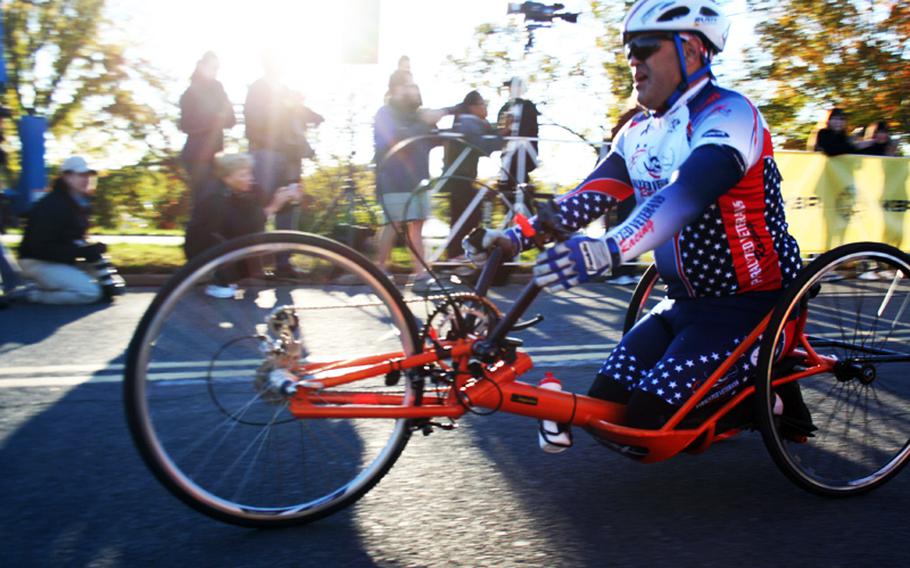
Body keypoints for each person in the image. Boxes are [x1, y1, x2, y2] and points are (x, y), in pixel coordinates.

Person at [466, 0, 813, 451]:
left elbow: (684, 196)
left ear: (690, 51)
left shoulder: (729, 114)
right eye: (629, 48)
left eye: (646, 47)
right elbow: (586, 198)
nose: (633, 59)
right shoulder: (637, 133)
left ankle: (769, 391)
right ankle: (751, 382)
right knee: (607, 406)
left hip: (750, 306)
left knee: (652, 425)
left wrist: (605, 250)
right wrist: (514, 238)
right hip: (682, 304)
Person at [244, 53, 323, 276]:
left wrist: (314, 116)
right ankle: (253, 264)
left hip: (290, 158)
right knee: (261, 205)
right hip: (266, 154)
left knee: (288, 210)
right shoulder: (258, 89)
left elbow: (299, 112)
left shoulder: (286, 91)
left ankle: (283, 263)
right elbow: (256, 121)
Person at [183, 152, 302, 298]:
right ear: (227, 178)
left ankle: (233, 275)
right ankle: (217, 279)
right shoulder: (214, 197)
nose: (250, 178)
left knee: (271, 249)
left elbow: (268, 206)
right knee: (251, 246)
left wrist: (289, 199)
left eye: (249, 173)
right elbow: (240, 227)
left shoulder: (251, 189)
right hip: (203, 247)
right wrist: (273, 207)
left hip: (229, 242)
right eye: (243, 175)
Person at [373, 70, 448, 293]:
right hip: (393, 177)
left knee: (417, 225)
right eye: (408, 85)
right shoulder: (385, 113)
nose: (412, 88)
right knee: (394, 224)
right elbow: (396, 138)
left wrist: (437, 125)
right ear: (395, 89)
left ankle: (420, 275)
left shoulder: (416, 114)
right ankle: (380, 271)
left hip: (418, 179)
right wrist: (424, 124)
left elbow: (432, 139)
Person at [17, 157, 125, 304]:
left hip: (58, 260)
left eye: (88, 175)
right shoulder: (51, 205)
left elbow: (72, 240)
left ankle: (51, 286)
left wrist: (91, 249)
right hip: (36, 262)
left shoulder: (77, 202)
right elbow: (39, 248)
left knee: (113, 286)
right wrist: (81, 252)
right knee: (89, 292)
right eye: (81, 175)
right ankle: (32, 293)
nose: (86, 179)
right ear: (67, 177)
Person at [442, 90, 506, 260]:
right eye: (483, 104)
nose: (486, 108)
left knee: (461, 216)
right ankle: (457, 256)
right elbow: (481, 145)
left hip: (459, 177)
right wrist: (503, 134)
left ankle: (454, 256)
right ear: (473, 107)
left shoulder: (470, 122)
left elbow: (487, 138)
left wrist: (500, 133)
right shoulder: (469, 122)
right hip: (459, 177)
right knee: (470, 215)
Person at [178, 51, 235, 203]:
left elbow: (231, 119)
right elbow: (185, 125)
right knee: (203, 200)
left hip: (217, 154)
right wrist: (215, 120)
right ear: (201, 66)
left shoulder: (218, 88)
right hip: (196, 154)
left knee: (218, 199)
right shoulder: (189, 93)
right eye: (212, 67)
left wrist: (220, 119)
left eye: (217, 68)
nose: (215, 71)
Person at [809, 108, 878, 156]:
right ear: (828, 121)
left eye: (841, 119)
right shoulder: (822, 133)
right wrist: (855, 145)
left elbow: (849, 152)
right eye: (835, 119)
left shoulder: (843, 136)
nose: (838, 122)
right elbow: (831, 151)